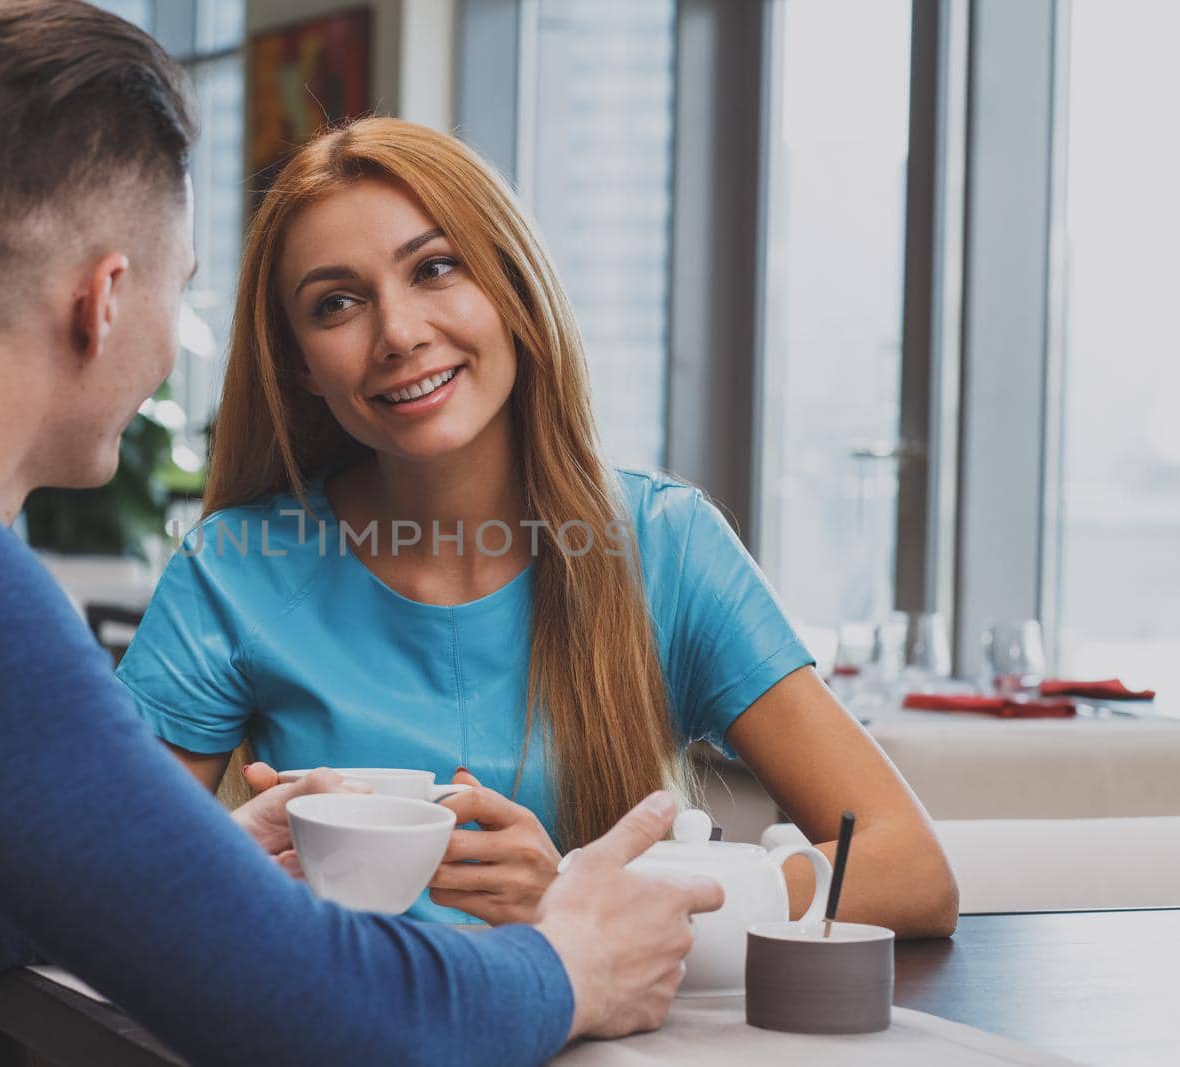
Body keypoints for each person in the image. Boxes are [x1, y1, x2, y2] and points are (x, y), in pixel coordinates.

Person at [0, 3, 726, 1064]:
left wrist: (179, 879)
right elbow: (312, 1010)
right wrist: (565, 963)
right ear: (102, 301)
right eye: (177, 295)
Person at [116, 117, 960, 935]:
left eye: (437, 268)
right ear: (299, 363)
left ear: (513, 285)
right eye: (337, 304)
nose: (401, 333)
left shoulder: (665, 545)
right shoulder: (236, 567)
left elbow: (909, 867)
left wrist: (581, 893)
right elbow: (92, 873)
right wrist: (225, 875)